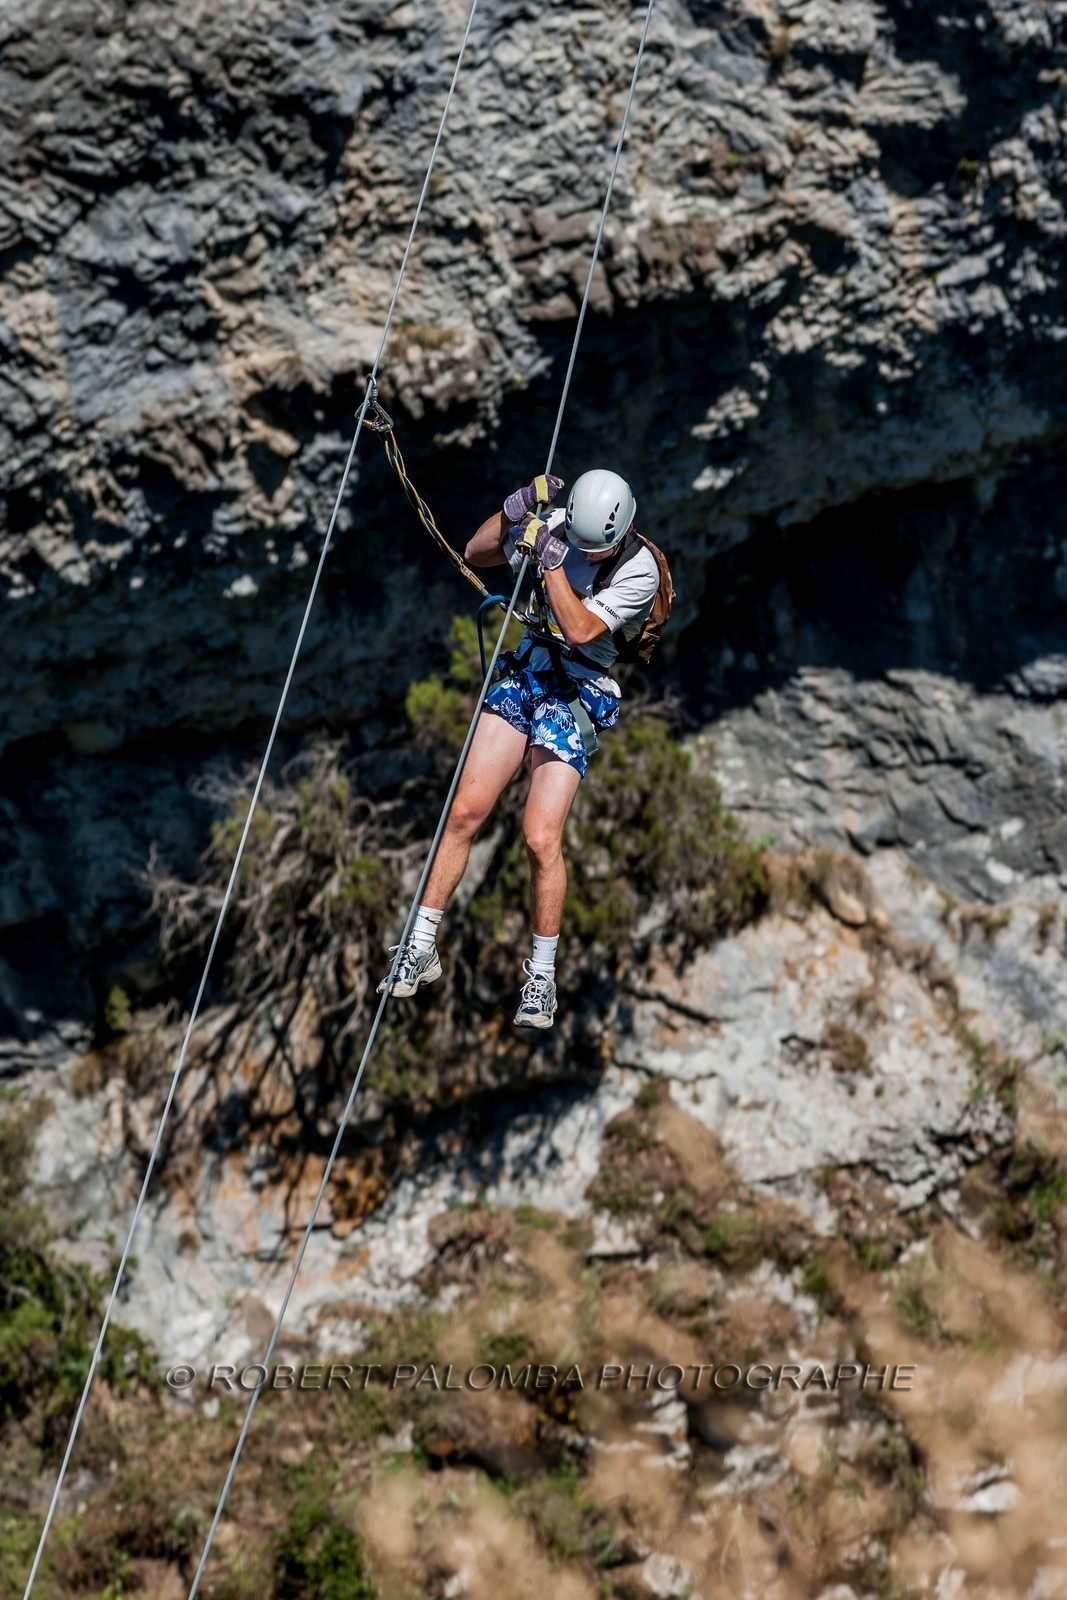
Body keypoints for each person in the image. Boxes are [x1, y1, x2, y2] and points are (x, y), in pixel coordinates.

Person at [379, 469, 660, 1028]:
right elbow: (475, 552)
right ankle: (420, 943)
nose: (584, 553)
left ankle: (541, 977)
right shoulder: (560, 524)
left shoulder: (640, 569)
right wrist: (513, 514)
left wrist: (552, 563)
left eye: (591, 549)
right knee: (463, 811)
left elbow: (580, 630)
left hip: (578, 689)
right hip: (529, 669)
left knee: (539, 837)